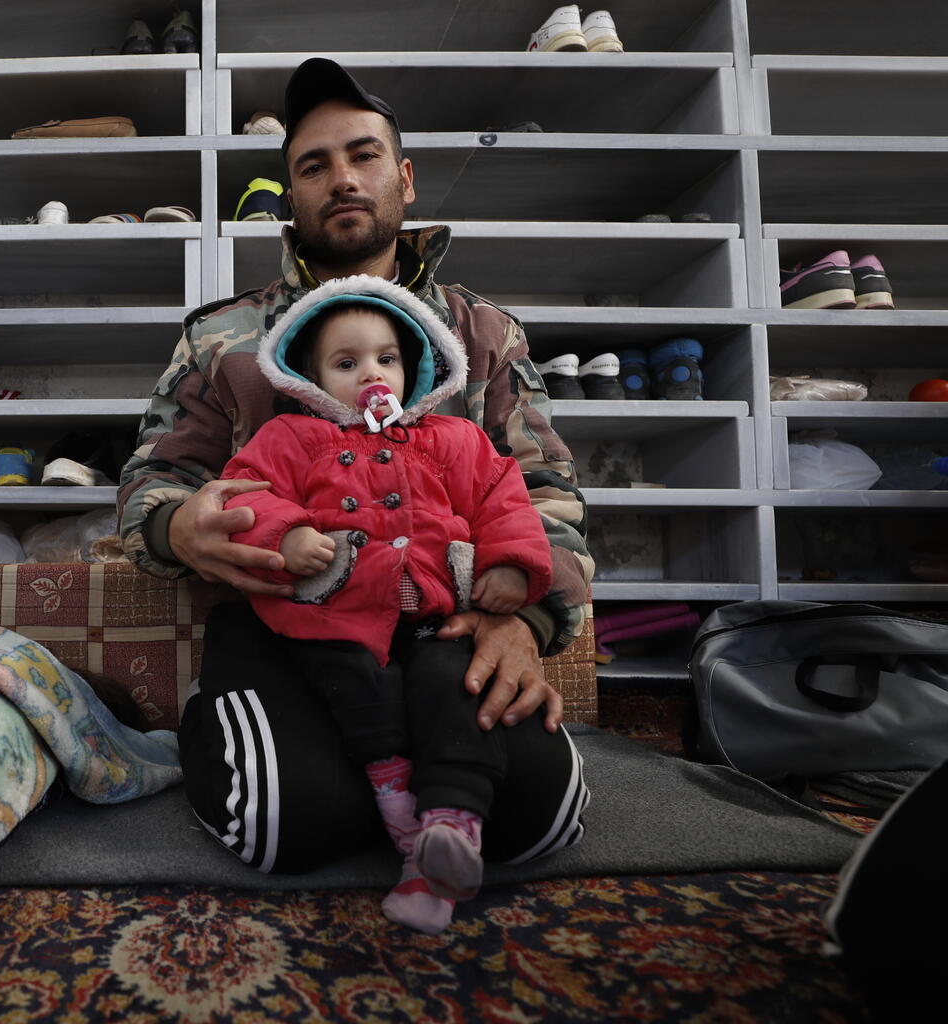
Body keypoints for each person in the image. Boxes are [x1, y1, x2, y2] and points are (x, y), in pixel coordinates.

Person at [117, 58, 592, 896]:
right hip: (291, 630)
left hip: (450, 624)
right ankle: (242, 729)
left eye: (363, 155)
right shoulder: (221, 337)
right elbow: (151, 480)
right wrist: (177, 526)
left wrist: (531, 623)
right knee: (280, 822)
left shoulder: (483, 333)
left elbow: (544, 492)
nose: (341, 178)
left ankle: (420, 803)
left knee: (536, 819)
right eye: (312, 165)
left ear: (404, 179)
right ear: (289, 197)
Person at [217, 275, 558, 931]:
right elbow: (245, 492)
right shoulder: (291, 437)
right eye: (345, 364)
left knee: (456, 689)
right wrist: (286, 533)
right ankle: (402, 814)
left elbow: (503, 500)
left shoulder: (453, 438)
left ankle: (452, 823)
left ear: (415, 366)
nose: (370, 373)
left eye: (386, 358)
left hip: (439, 619)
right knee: (354, 688)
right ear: (310, 379)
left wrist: (512, 569)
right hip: (338, 617)